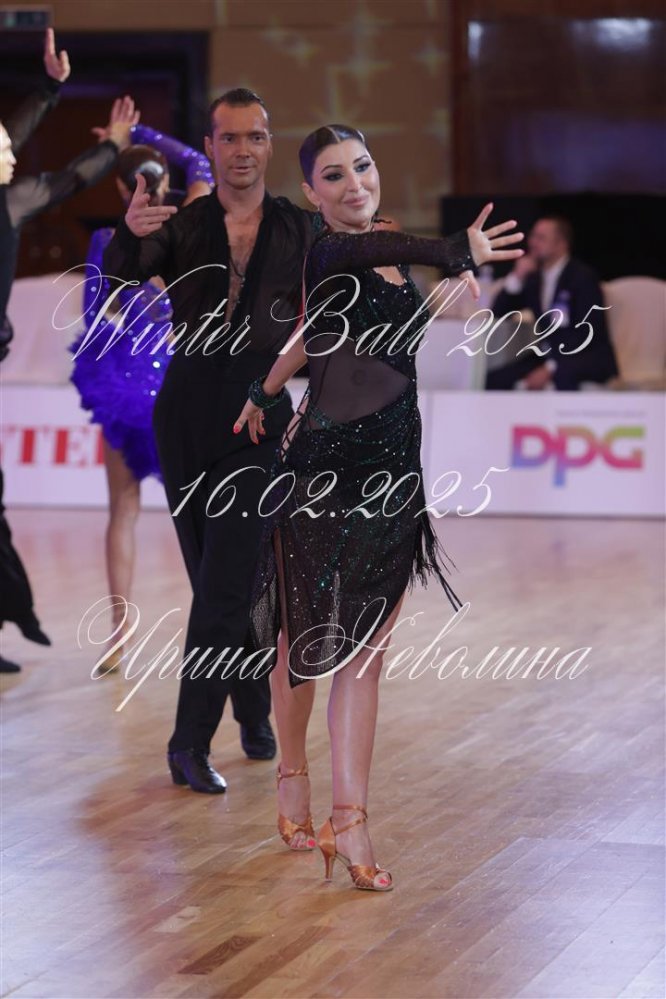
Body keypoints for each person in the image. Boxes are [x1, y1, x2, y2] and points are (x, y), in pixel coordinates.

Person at [234, 124, 524, 891]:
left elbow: (331, 334)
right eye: (334, 175)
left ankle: (350, 818)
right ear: (312, 193)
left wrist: (267, 387)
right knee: (301, 640)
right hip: (322, 472)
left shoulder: (391, 249)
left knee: (365, 654)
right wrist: (454, 246)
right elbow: (350, 280)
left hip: (393, 476)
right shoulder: (330, 251)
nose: (354, 182)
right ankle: (292, 777)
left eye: (362, 166)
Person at [103, 89, 316, 791]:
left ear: (270, 144)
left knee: (226, 581)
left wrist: (448, 257)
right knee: (217, 580)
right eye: (230, 138)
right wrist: (128, 231)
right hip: (186, 415)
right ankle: (253, 711)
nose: (243, 150)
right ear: (211, 146)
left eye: (255, 136)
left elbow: (356, 266)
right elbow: (118, 279)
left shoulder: (298, 227)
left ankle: (187, 744)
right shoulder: (185, 223)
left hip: (259, 417)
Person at [0, 28, 137, 674]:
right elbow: (56, 170)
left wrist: (52, 91)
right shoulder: (9, 200)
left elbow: (38, 157)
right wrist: (108, 141)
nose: (9, 150)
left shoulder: (7, 198)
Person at [70, 127, 214, 673]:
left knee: (123, 514)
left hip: (127, 387)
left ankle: (119, 637)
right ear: (165, 181)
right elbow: (201, 162)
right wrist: (137, 133)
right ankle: (218, 632)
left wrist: (117, 143)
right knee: (202, 515)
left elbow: (93, 316)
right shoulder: (190, 223)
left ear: (118, 187)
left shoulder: (108, 240)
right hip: (182, 382)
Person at [485, 215, 617, 390]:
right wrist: (517, 276)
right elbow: (499, 313)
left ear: (561, 244)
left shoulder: (582, 278)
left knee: (561, 378)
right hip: (548, 354)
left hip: (585, 356)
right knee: (494, 380)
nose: (533, 243)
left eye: (541, 238)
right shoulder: (533, 279)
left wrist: (551, 368)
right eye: (533, 236)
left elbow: (586, 333)